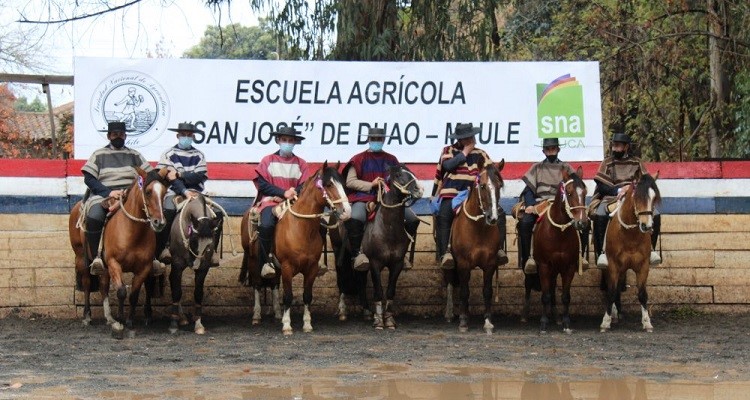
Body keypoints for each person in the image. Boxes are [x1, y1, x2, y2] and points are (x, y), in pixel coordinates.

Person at [81, 121, 153, 276]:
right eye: (115, 134)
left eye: (121, 134)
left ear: (126, 136)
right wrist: (108, 192)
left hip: (131, 196)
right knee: (94, 217)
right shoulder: (98, 155)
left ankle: (153, 257)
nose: (118, 137)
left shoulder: (135, 155)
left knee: (153, 214)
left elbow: (149, 175)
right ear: (109, 136)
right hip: (103, 194)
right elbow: (89, 178)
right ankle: (97, 259)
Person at [344, 127, 421, 272]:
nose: (376, 141)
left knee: (412, 219)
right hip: (364, 198)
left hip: (390, 201)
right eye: (373, 139)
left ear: (383, 140)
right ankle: (357, 254)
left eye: (379, 139)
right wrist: (371, 184)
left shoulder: (392, 160)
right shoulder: (358, 159)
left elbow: (401, 180)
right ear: (368, 140)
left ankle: (402, 254)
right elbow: (350, 182)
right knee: (356, 217)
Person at [433, 122, 508, 270]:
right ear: (460, 139)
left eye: (471, 136)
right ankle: (445, 253)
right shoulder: (448, 150)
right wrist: (465, 153)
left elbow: (490, 171)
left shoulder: (481, 154)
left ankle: (498, 250)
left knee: (500, 213)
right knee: (444, 215)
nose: (471, 140)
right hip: (451, 194)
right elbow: (447, 166)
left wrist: (496, 168)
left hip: (475, 195)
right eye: (467, 138)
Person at [155, 122, 222, 272]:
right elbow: (169, 178)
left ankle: (212, 251)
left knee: (216, 215)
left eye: (189, 135)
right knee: (168, 210)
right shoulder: (168, 154)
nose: (186, 137)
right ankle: (163, 248)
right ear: (178, 136)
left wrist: (180, 174)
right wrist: (184, 190)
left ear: (193, 137)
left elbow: (199, 176)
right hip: (174, 193)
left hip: (197, 194)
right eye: (183, 135)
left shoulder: (199, 155)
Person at [517, 138, 588, 274]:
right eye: (548, 150)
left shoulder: (566, 167)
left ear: (558, 150)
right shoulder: (536, 167)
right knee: (525, 222)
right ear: (543, 151)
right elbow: (528, 190)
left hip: (562, 205)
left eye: (553, 149)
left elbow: (577, 185)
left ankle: (580, 257)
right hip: (540, 203)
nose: (551, 152)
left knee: (584, 223)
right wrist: (531, 205)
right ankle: (528, 259)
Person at [590, 132, 661, 268]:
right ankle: (602, 254)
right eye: (613, 146)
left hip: (636, 198)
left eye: (618, 146)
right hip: (612, 198)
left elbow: (646, 182)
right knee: (600, 215)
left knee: (656, 214)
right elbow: (601, 185)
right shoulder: (607, 163)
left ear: (626, 146)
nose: (614, 149)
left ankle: (651, 250)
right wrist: (618, 190)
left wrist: (629, 188)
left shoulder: (637, 162)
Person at [252, 126, 313, 279]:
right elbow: (263, 184)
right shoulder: (267, 161)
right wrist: (281, 193)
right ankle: (266, 262)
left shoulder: (302, 163)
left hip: (295, 203)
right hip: (271, 202)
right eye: (284, 140)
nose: (287, 143)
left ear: (295, 143)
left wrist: (290, 195)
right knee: (266, 224)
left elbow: (304, 185)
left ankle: (315, 261)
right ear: (278, 140)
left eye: (290, 140)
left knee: (316, 223)